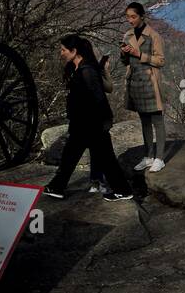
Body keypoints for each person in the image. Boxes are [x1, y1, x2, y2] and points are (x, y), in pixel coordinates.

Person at [44, 35, 133, 201]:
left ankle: (123, 190)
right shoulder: (77, 68)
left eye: (63, 50)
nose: (61, 53)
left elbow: (99, 97)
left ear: (74, 51)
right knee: (71, 156)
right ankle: (57, 186)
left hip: (92, 124)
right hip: (82, 123)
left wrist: (105, 121)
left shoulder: (87, 71)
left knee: (105, 159)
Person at [120, 2, 167, 173]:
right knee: (144, 121)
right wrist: (124, 53)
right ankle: (148, 156)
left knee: (157, 120)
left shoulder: (153, 36)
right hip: (135, 83)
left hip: (149, 81)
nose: (130, 20)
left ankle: (159, 158)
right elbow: (125, 62)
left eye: (133, 17)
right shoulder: (127, 35)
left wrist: (139, 54)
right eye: (128, 17)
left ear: (142, 16)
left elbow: (161, 61)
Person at [87, 50, 114, 194]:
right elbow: (109, 88)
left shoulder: (84, 69)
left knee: (96, 150)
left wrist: (104, 70)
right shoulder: (92, 71)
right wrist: (105, 71)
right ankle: (100, 181)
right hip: (98, 115)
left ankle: (97, 181)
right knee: (101, 150)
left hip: (89, 115)